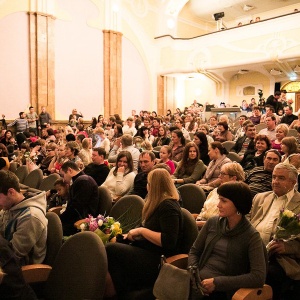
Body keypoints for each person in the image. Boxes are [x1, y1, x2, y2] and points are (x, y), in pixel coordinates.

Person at [105, 168, 183, 299]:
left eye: (148, 183)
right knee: (113, 243)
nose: (146, 186)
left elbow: (168, 241)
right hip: (146, 250)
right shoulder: (157, 203)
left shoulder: (168, 206)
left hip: (158, 258)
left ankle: (117, 291)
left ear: (155, 186)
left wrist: (141, 231)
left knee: (111, 250)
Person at [188, 181, 267, 299]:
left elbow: (258, 277)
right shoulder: (212, 222)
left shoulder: (251, 236)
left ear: (238, 204)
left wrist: (217, 283)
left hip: (224, 290)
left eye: (223, 201)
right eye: (219, 200)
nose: (218, 205)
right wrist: (194, 275)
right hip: (196, 282)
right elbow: (194, 251)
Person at [249, 163, 300, 299]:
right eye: (274, 177)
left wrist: (287, 247)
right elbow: (247, 224)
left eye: (281, 178)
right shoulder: (260, 197)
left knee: (268, 275)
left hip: (280, 259)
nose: (275, 182)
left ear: (293, 182)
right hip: (252, 250)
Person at [0, 170, 47, 265]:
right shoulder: (9, 206)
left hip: (21, 268)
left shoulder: (31, 217)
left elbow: (12, 254)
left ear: (11, 192)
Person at [196, 162, 245, 228]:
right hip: (202, 224)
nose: (219, 177)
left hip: (216, 230)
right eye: (220, 173)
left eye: (223, 174)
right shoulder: (215, 191)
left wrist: (200, 224)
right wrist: (198, 219)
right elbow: (203, 210)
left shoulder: (238, 197)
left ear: (233, 178)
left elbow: (227, 223)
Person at [59, 161, 99, 235]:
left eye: (63, 175)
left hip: (81, 221)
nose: (63, 179)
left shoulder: (84, 182)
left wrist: (60, 218)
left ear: (69, 170)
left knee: (52, 229)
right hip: (74, 217)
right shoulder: (79, 180)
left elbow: (77, 209)